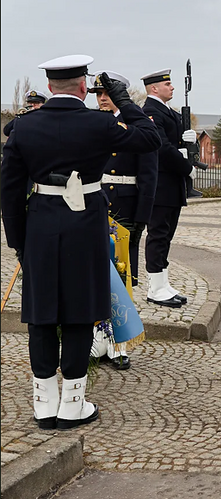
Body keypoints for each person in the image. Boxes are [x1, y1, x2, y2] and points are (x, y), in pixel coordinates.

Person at [0, 55, 161, 430]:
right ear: (83, 86)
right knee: (78, 309)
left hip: (39, 224)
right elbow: (150, 138)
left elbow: (8, 191)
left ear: (51, 87)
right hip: (85, 224)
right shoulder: (100, 123)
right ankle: (73, 402)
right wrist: (123, 101)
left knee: (41, 314)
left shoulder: (23, 128)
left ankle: (44, 402)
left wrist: (19, 242)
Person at [91, 71, 158, 297]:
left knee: (122, 266)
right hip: (95, 198)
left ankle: (123, 315)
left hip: (125, 203)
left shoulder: (137, 124)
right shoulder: (92, 122)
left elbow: (148, 174)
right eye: (98, 93)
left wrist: (142, 217)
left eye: (107, 93)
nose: (102, 98)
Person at [142, 68, 195, 308]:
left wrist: (188, 140)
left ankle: (163, 283)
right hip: (161, 184)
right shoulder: (151, 111)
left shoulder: (166, 111)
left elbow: (174, 142)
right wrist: (186, 166)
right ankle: (155, 287)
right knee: (158, 235)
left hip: (171, 186)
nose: (172, 88)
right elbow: (162, 148)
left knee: (166, 236)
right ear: (154, 88)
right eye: (168, 84)